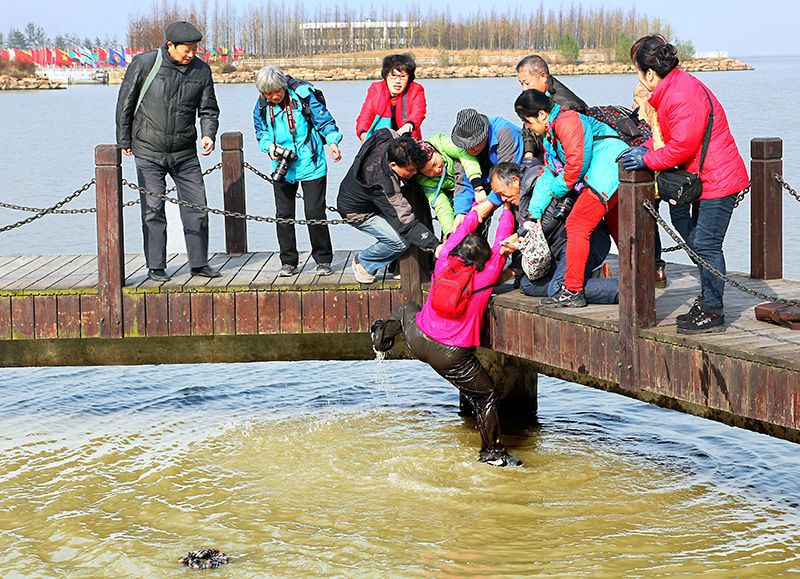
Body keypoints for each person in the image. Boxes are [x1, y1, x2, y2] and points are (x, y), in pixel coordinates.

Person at [371, 198, 522, 467]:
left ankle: (381, 339)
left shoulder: (444, 261)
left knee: (408, 307)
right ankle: (492, 454)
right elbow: (501, 241)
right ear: (481, 260)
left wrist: (485, 206)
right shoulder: (485, 275)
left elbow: (463, 228)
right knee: (485, 395)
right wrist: (507, 210)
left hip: (419, 338)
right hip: (452, 355)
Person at [618, 36, 749, 334]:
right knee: (698, 241)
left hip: (718, 178)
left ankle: (713, 310)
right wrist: (647, 147)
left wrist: (647, 158)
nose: (638, 77)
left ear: (649, 73)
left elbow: (681, 148)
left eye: (637, 71)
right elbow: (670, 136)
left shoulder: (679, 94)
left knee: (706, 244)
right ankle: (707, 300)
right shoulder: (675, 87)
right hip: (706, 176)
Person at [115, 20, 220, 282]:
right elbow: (125, 102)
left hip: (185, 152)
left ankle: (198, 263)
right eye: (187, 49)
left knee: (198, 207)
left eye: (195, 49)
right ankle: (156, 266)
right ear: (170, 45)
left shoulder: (202, 71)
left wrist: (208, 134)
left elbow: (208, 109)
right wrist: (123, 139)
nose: (191, 54)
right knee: (153, 208)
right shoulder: (145, 63)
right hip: (148, 150)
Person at [515, 89, 628, 308]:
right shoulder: (551, 134)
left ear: (541, 114)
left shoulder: (567, 121)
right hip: (609, 173)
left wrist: (558, 190)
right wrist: (535, 213)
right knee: (620, 230)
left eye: (528, 122)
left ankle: (573, 291)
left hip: (608, 171)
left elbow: (576, 166)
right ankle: (641, 277)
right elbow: (549, 172)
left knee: (576, 224)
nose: (528, 128)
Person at [253, 66, 342, 277]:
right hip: (282, 167)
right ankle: (288, 261)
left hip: (311, 163)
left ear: (283, 86)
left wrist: (332, 142)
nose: (273, 97)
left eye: (276, 92)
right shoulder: (262, 105)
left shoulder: (303, 95)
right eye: (268, 93)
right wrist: (269, 147)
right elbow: (260, 132)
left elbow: (325, 122)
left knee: (314, 212)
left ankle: (323, 260)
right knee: (283, 215)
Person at [490, 162, 618, 304]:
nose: (503, 200)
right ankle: (594, 278)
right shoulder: (519, 202)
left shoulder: (540, 183)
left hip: (581, 242)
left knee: (558, 290)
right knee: (527, 284)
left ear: (515, 180)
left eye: (502, 193)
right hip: (559, 250)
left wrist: (519, 236)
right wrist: (508, 274)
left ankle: (628, 291)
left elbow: (549, 220)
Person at [337, 129, 439, 284]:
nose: (414, 173)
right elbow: (405, 222)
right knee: (400, 242)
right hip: (356, 211)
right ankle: (364, 263)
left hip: (374, 201)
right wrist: (435, 245)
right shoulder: (383, 183)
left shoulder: (391, 139)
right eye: (410, 170)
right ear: (393, 165)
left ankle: (394, 266)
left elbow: (388, 131)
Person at [450, 108, 525, 219]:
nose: (472, 148)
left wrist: (490, 203)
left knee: (516, 217)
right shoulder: (462, 147)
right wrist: (461, 212)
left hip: (514, 181)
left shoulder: (504, 132)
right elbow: (463, 182)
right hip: (484, 180)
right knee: (469, 219)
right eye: (467, 146)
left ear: (485, 132)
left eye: (475, 143)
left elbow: (506, 177)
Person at [415, 135, 482, 237]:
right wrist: (450, 232)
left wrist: (477, 182)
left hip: (476, 183)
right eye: (428, 171)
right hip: (454, 198)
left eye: (434, 164)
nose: (436, 170)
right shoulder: (424, 180)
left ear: (436, 152)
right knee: (452, 231)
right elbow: (441, 205)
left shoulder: (443, 143)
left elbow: (464, 154)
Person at [356, 54, 427, 142]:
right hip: (378, 142)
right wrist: (364, 135)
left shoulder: (416, 89)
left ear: (409, 78)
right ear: (386, 75)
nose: (397, 81)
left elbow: (418, 112)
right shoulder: (376, 89)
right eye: (393, 75)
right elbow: (365, 117)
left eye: (403, 76)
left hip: (408, 142)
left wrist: (408, 125)